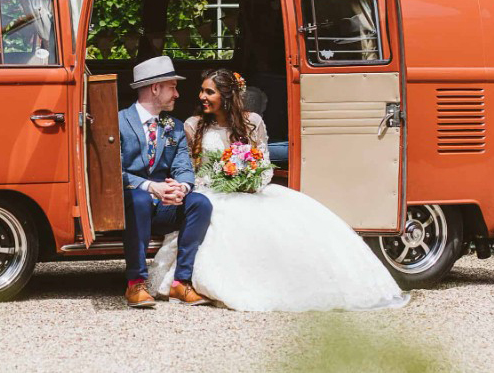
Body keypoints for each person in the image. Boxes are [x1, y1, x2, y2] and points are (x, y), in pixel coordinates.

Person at [148, 68, 409, 312]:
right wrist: (210, 182)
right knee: (215, 216)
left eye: (209, 92)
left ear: (227, 96)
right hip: (209, 190)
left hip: (248, 189)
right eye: (202, 91)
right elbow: (189, 168)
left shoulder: (253, 123)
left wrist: (250, 181)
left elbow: (263, 163)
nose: (201, 97)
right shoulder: (193, 124)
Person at [119, 56, 213, 308]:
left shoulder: (175, 126)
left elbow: (183, 166)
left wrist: (181, 188)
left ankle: (180, 282)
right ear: (155, 88)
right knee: (139, 198)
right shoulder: (118, 122)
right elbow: (113, 171)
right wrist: (151, 187)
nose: (177, 94)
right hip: (131, 205)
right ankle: (135, 284)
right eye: (172, 87)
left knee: (200, 204)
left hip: (165, 207)